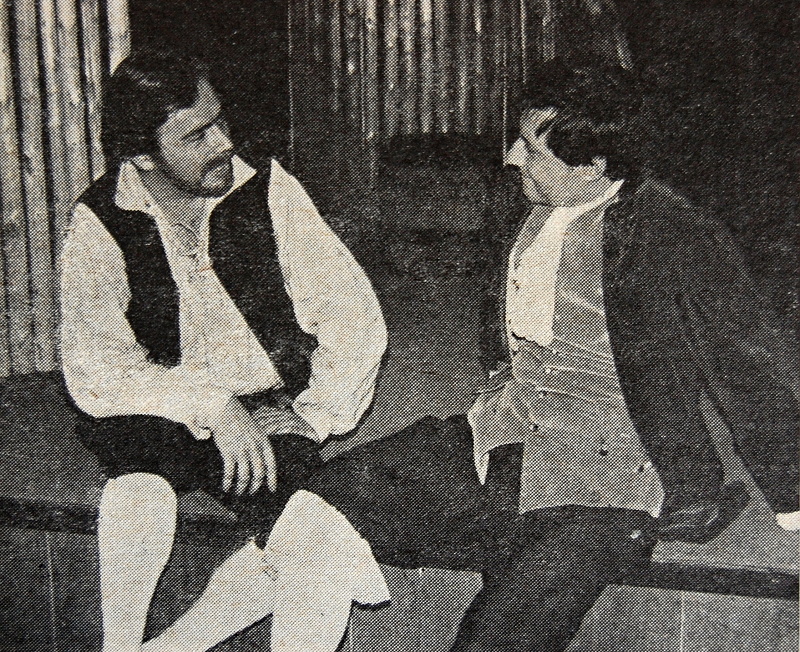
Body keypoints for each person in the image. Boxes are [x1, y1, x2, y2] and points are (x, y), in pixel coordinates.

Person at [239, 63, 798, 652]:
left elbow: (744, 360)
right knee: (313, 512)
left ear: (593, 165)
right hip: (503, 437)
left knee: (496, 637)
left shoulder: (670, 233)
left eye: (531, 149)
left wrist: (790, 492)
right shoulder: (524, 207)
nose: (510, 158)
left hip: (612, 482)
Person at [59, 48, 387, 652]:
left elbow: (354, 317)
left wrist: (316, 414)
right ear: (142, 157)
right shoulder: (100, 220)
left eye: (220, 121)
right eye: (196, 136)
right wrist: (210, 404)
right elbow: (96, 367)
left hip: (265, 409)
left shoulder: (268, 188)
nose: (224, 144)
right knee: (137, 488)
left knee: (314, 540)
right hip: (158, 402)